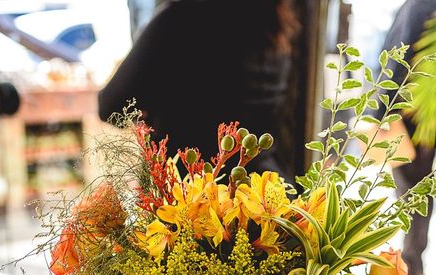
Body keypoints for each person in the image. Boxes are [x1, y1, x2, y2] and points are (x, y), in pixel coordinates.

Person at [99, 0, 300, 181]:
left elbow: (110, 106)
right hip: (261, 194)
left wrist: (152, 112)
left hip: (192, 200)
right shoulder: (273, 26)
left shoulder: (177, 19)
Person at [376, 0, 436, 275]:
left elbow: (399, 56)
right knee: (419, 185)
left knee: (409, 187)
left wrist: (381, 110)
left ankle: (409, 262)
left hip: (408, 110)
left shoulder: (420, 4)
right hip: (428, 112)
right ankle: (414, 259)